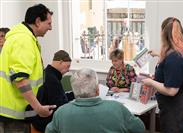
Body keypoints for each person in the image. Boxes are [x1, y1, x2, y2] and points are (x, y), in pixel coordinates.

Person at [0, 4, 56, 133]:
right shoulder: (23, 40)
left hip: (12, 112)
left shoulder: (22, 37)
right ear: (37, 21)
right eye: (48, 23)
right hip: (13, 116)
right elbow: (20, 78)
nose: (51, 28)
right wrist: (38, 108)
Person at [142, 17, 183, 133]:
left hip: (176, 107)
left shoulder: (175, 58)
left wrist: (151, 82)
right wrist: (159, 54)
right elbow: (180, 66)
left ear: (164, 34)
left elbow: (171, 91)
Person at [45, 68, 145, 133]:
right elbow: (140, 128)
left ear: (74, 91)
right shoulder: (117, 108)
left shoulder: (61, 113)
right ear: (98, 90)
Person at [27, 50, 74, 132]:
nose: (68, 70)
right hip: (44, 124)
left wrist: (74, 94)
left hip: (37, 120)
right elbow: (59, 106)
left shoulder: (47, 73)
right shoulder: (52, 80)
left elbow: (58, 98)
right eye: (68, 66)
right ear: (61, 62)